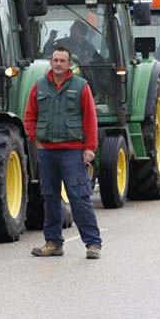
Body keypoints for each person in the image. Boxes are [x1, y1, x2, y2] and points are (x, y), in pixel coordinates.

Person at [24, 45, 102, 259]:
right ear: (51, 62)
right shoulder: (39, 87)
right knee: (49, 197)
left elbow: (90, 119)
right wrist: (35, 139)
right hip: (47, 152)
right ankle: (53, 243)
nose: (58, 64)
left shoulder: (81, 87)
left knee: (79, 197)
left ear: (69, 64)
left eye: (62, 61)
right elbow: (29, 115)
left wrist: (89, 148)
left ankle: (92, 244)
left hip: (72, 151)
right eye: (55, 60)